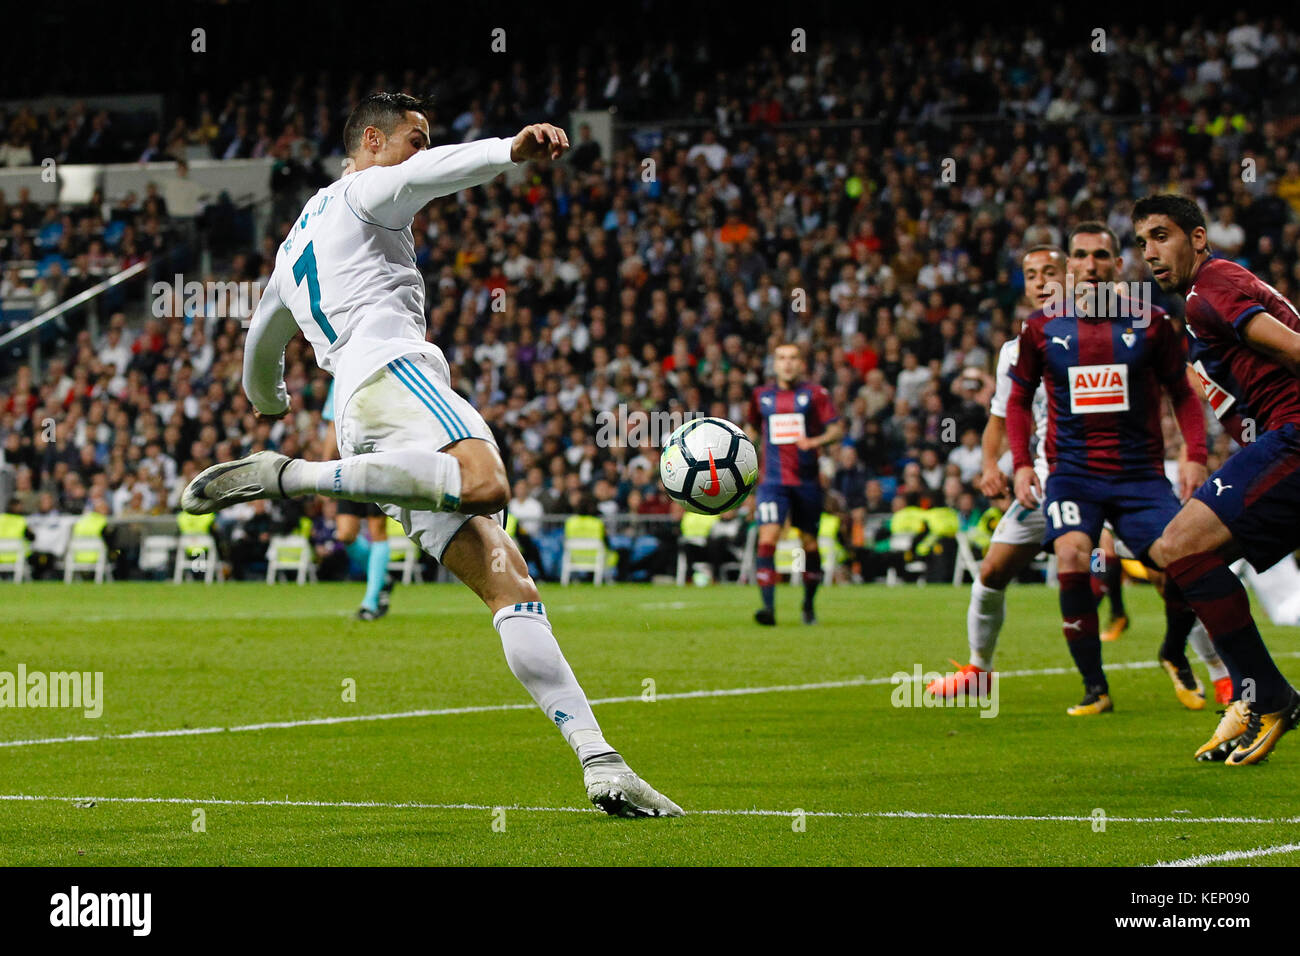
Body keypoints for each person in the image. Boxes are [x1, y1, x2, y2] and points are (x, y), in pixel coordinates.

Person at [182, 92, 680, 816]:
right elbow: (432, 175)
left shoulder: (294, 246)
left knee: (512, 589)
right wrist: (510, 149)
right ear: (373, 141)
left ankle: (600, 761)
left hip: (360, 418)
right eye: (411, 138)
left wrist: (269, 400)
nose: (419, 150)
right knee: (487, 483)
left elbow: (260, 340)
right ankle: (289, 477)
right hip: (397, 376)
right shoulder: (362, 189)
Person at [1007, 222, 1210, 717]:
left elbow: (1182, 391)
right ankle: (1094, 687)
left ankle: (1172, 651)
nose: (1091, 266)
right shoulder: (1040, 327)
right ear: (1069, 266)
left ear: (1119, 266)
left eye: (1102, 257)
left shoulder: (1154, 322)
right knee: (1074, 557)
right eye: (1081, 256)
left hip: (1140, 475)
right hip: (1073, 474)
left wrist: (1195, 454)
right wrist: (1019, 464)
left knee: (1179, 563)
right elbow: (1017, 399)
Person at [1134, 193, 1300, 764]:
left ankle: (1267, 696)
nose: (1150, 253)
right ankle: (1255, 696)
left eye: (1162, 236)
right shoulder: (1215, 292)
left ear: (1197, 238)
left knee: (1179, 547)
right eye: (1142, 242)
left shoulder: (1211, 290)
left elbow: (1294, 350)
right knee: (1187, 561)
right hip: (1283, 438)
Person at [748, 342, 842, 625]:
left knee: (809, 544)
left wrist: (815, 441)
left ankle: (808, 605)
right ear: (774, 364)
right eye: (781, 358)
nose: (787, 363)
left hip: (806, 481)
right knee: (767, 538)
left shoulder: (815, 394)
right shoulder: (761, 395)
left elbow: (836, 428)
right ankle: (768, 609)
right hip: (772, 481)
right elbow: (753, 427)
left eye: (793, 358)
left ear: (801, 363)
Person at [322, 380, 394, 620]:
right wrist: (325, 467)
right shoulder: (338, 379)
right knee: (346, 534)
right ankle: (382, 579)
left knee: (377, 529)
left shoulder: (381, 374)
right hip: (348, 465)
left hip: (378, 462)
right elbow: (333, 425)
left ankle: (370, 604)